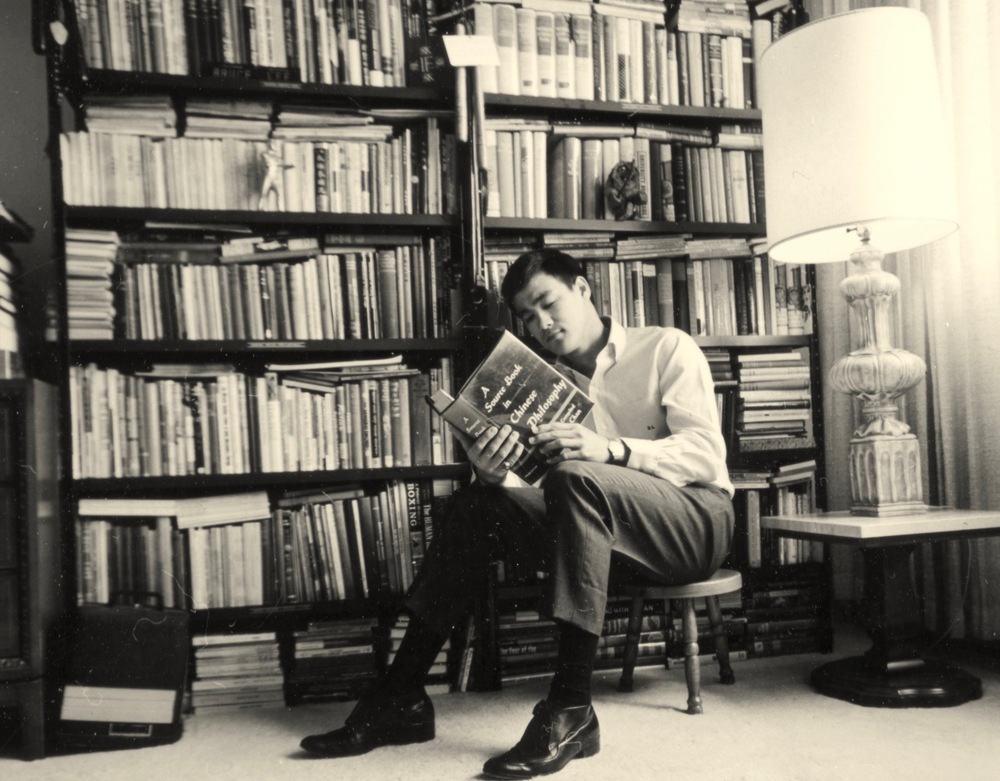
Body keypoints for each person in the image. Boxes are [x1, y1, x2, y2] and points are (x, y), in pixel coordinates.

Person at [300, 248, 735, 778]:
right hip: (600, 542)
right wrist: (491, 471)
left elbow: (706, 455)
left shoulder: (665, 346)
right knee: (473, 507)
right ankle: (402, 695)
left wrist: (612, 450)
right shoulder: (541, 385)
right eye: (527, 317)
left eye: (548, 304)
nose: (542, 324)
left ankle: (570, 706)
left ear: (583, 289)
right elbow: (543, 493)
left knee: (579, 474)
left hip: (693, 525)